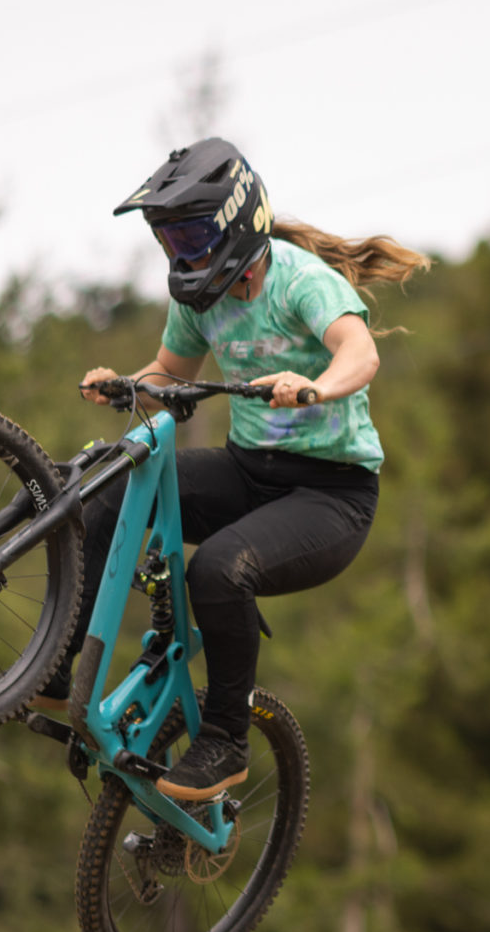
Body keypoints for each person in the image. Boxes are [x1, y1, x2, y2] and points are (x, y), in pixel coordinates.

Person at [39, 138, 427, 799]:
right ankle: (54, 669)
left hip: (331, 496)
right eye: (170, 242)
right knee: (103, 497)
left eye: (192, 236)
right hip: (251, 473)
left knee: (218, 570)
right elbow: (170, 375)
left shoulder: (303, 281)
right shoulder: (199, 298)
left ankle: (225, 741)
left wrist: (316, 387)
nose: (182, 255)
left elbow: (359, 354)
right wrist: (127, 386)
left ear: (236, 223)